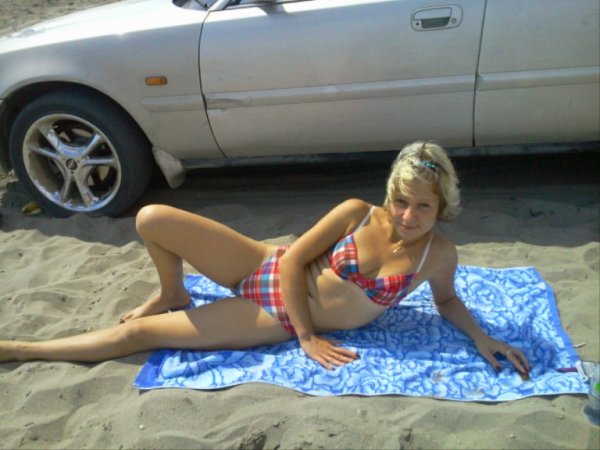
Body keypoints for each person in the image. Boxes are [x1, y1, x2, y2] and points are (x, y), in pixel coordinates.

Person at [0, 141, 530, 377]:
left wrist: (482, 337)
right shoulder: (356, 213)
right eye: (401, 201)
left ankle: (22, 349)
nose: (408, 215)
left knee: (141, 335)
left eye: (423, 206)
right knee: (152, 217)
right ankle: (172, 292)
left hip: (272, 316)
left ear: (442, 207)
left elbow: (449, 301)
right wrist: (309, 338)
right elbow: (295, 260)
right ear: (389, 193)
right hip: (266, 268)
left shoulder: (438, 254)